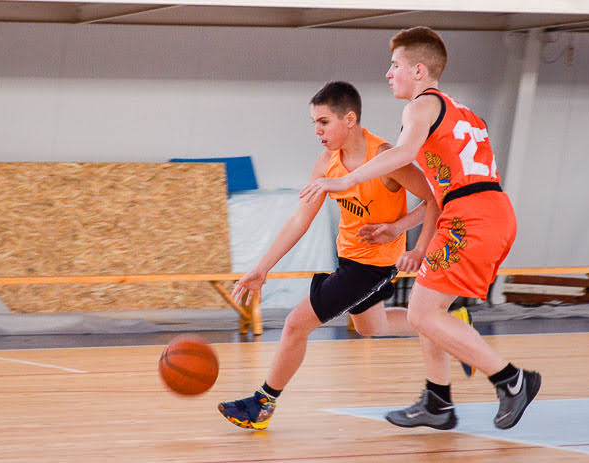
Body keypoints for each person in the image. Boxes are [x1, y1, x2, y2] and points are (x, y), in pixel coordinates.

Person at [300, 27, 541, 430]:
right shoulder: (462, 112)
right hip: (482, 211)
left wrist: (344, 181)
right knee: (429, 310)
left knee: (422, 314)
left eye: (394, 65)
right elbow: (439, 193)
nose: (388, 73)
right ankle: (437, 401)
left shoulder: (420, 107)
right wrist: (402, 229)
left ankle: (512, 380)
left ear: (418, 69)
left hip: (471, 217)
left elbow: (403, 155)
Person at [218, 81, 467, 431]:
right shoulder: (326, 163)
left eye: (324, 122)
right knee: (371, 327)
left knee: (294, 324)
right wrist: (262, 269)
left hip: (374, 266)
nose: (317, 131)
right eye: (314, 123)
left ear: (349, 119)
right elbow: (299, 220)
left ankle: (262, 404)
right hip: (348, 259)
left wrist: (398, 228)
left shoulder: (385, 157)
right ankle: (448, 324)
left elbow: (435, 200)